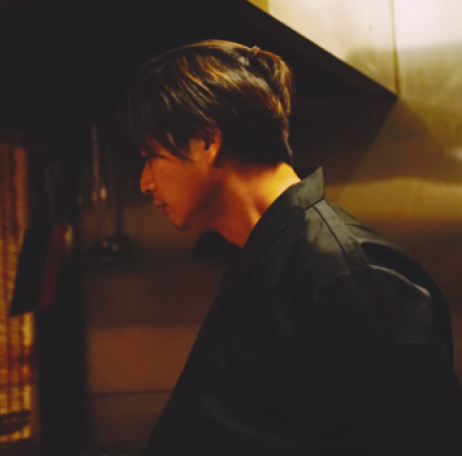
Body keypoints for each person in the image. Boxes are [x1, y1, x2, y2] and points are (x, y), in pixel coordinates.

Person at [117, 40, 462, 455]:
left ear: (206, 141)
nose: (145, 183)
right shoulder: (256, 251)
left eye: (151, 156)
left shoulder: (347, 272)